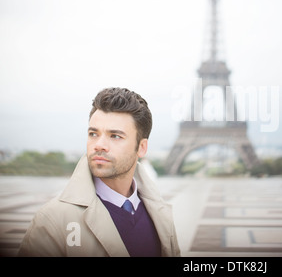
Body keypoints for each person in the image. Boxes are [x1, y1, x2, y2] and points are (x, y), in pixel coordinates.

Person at [18, 87, 180, 257]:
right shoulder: (53, 220)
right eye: (93, 133)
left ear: (141, 147)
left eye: (115, 136)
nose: (99, 144)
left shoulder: (161, 215)